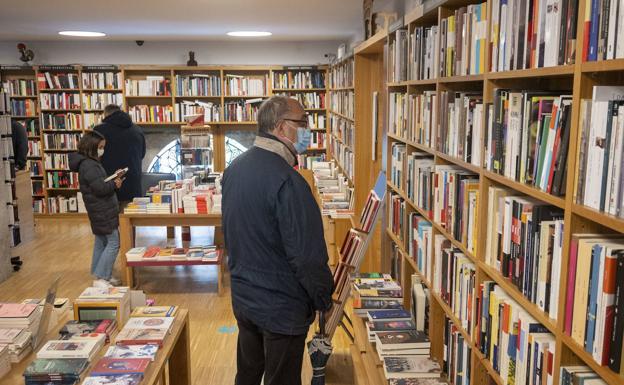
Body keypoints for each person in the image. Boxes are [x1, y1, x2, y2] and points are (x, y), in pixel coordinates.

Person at [222, 96, 333, 385]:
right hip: (281, 307)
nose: (309, 131)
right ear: (283, 128)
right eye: (304, 123)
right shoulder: (289, 182)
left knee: (247, 374)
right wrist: (324, 298)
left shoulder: (235, 169)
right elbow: (307, 256)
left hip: (245, 299)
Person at [69, 131, 124, 287]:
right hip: (102, 209)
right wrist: (115, 184)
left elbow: (99, 183)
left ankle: (101, 274)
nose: (102, 150)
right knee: (114, 243)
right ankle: (101, 277)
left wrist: (113, 177)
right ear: (91, 147)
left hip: (99, 209)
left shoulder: (88, 163)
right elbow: (100, 188)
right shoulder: (89, 165)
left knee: (101, 241)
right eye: (100, 147)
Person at [94, 104, 145, 210]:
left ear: (106, 114)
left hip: (108, 183)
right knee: (130, 221)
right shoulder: (137, 130)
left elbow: (93, 155)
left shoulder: (99, 130)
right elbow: (142, 154)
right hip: (133, 183)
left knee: (109, 222)